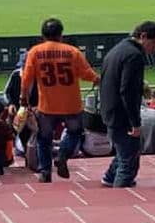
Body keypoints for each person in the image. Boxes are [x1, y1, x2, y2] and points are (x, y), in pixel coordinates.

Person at [21, 18, 100, 183]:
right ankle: (63, 155)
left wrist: (24, 98)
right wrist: (98, 79)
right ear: (61, 35)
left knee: (44, 139)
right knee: (75, 133)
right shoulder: (73, 52)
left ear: (42, 35)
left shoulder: (35, 52)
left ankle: (45, 172)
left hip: (47, 106)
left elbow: (27, 79)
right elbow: (87, 74)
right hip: (71, 105)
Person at [100, 21, 155, 188]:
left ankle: (109, 178)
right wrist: (135, 123)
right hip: (122, 115)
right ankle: (122, 197)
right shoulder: (134, 55)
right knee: (129, 161)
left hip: (110, 110)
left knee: (124, 152)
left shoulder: (119, 49)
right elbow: (127, 91)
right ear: (143, 36)